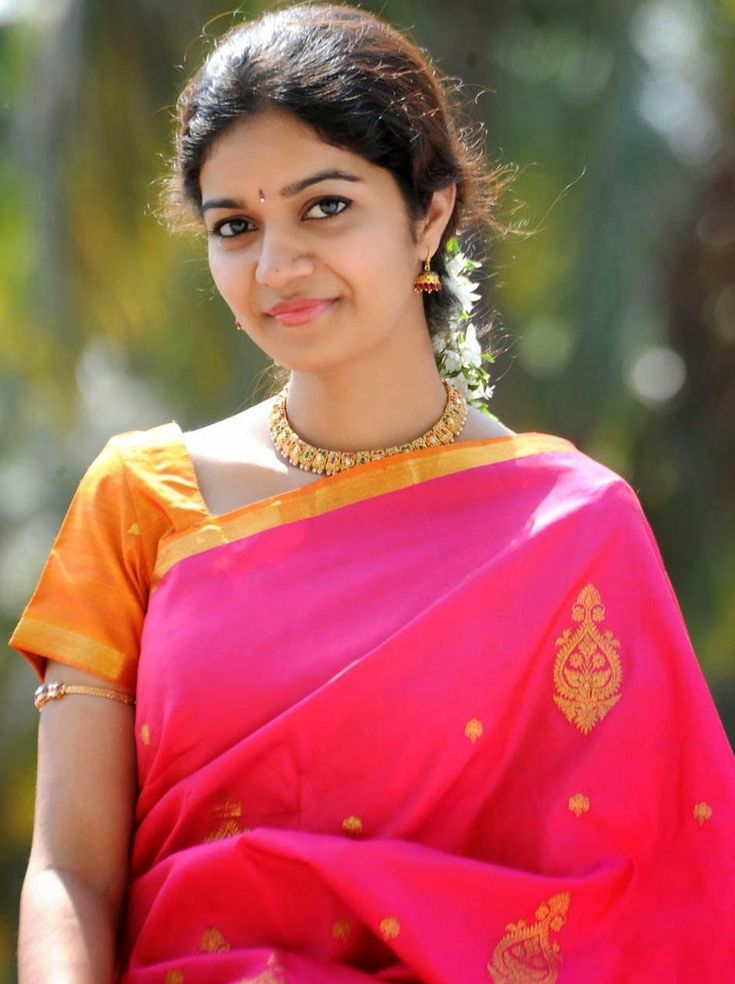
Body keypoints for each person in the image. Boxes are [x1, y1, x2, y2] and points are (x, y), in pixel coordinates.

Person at [9, 4, 735, 982]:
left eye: (326, 206)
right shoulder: (139, 499)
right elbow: (69, 873)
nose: (277, 267)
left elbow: (649, 897)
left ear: (429, 214)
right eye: (235, 226)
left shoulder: (574, 527)